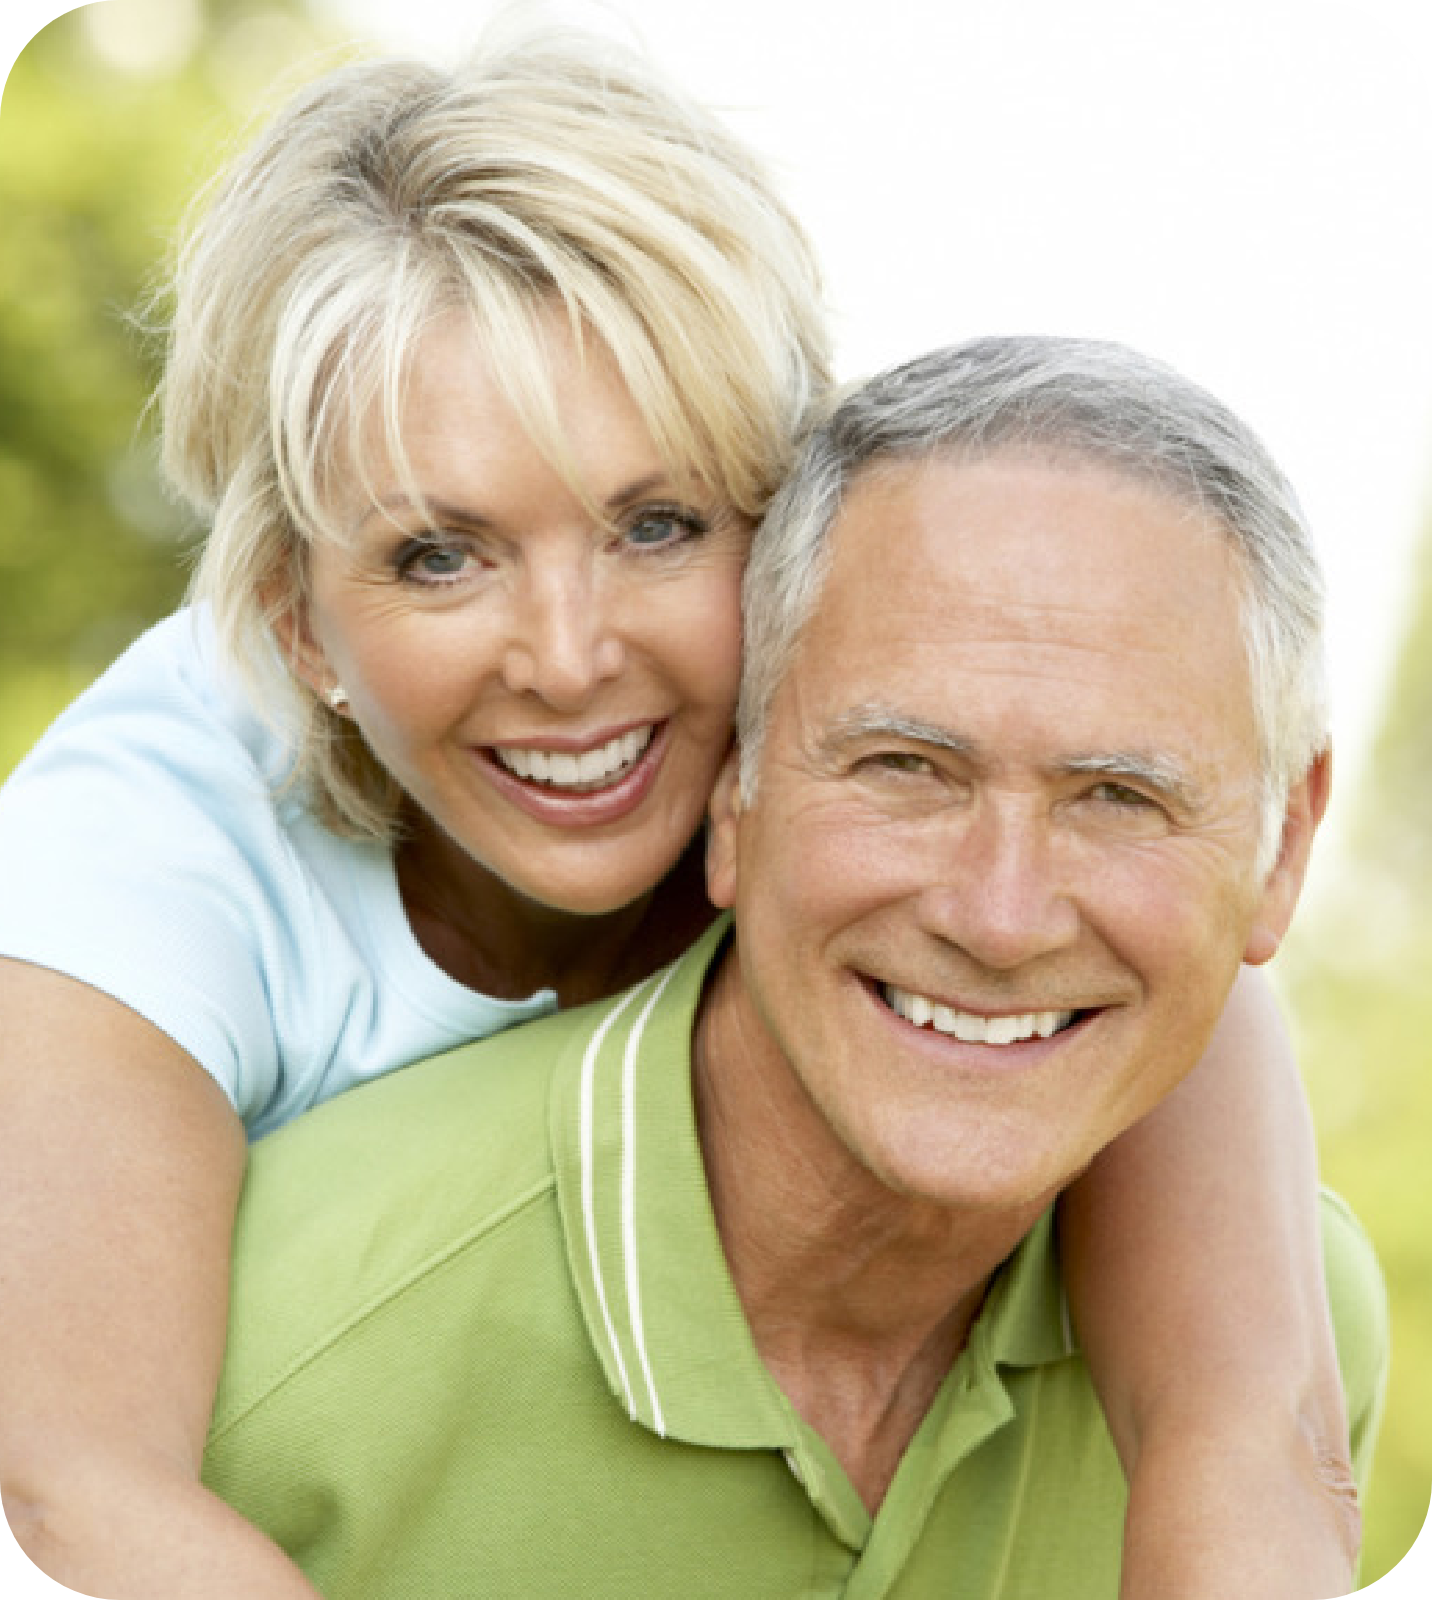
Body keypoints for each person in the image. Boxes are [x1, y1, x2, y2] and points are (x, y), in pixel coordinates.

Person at [0, 27, 1354, 1600]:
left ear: (791, 533)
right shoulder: (134, 867)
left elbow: (1237, 1398)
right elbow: (61, 1482)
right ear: (296, 622)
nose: (571, 662)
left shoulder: (870, 759)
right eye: (441, 555)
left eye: (659, 524)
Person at [198, 335, 1387, 1598]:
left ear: (1283, 848)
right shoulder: (264, 1371)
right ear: (732, 794)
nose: (1000, 916)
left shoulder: (1294, 1335)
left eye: (1118, 795)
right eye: (904, 769)